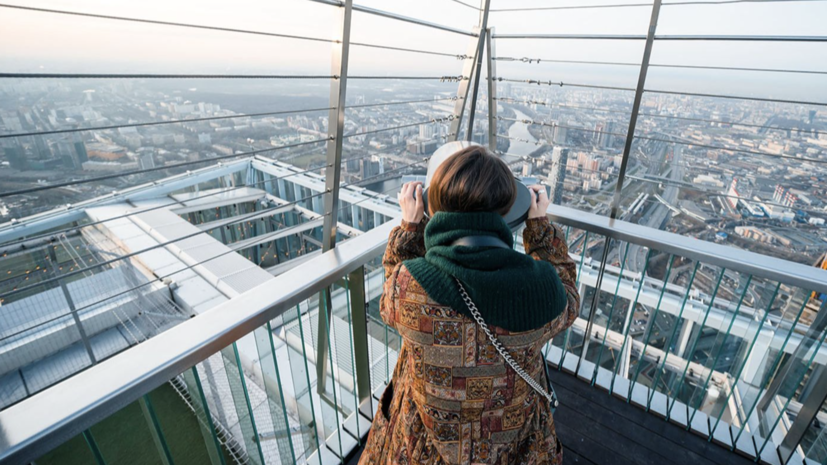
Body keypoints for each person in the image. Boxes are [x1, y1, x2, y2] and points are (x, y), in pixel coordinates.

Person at [359, 145, 580, 465]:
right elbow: (569, 298)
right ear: (507, 211)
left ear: (433, 206)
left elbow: (388, 297)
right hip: (515, 445)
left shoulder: (410, 288)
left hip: (423, 445)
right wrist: (540, 228)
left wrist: (410, 227)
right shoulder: (541, 290)